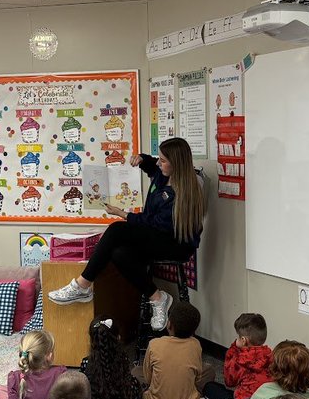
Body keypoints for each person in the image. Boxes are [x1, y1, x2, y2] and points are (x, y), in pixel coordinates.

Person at [49, 138, 205, 333]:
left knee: (117, 229)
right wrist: (142, 159)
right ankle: (158, 298)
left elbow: (153, 224)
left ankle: (83, 285)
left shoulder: (182, 192)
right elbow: (151, 166)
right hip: (157, 236)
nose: (159, 163)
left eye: (163, 160)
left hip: (174, 244)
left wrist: (122, 213)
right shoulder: (164, 174)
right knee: (119, 253)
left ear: (176, 163)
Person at [141, 300, 209, 399]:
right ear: (194, 330)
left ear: (169, 324)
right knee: (210, 370)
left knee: (136, 372)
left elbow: (148, 378)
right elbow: (197, 378)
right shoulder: (195, 344)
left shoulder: (154, 344)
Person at [202, 312, 272, 399]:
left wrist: (234, 347)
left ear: (243, 340)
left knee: (209, 387)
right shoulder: (270, 355)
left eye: (238, 337)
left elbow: (229, 381)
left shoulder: (241, 360)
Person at [81, 317, 137, 399]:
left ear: (92, 340)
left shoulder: (86, 362)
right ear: (118, 337)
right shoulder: (124, 360)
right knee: (135, 381)